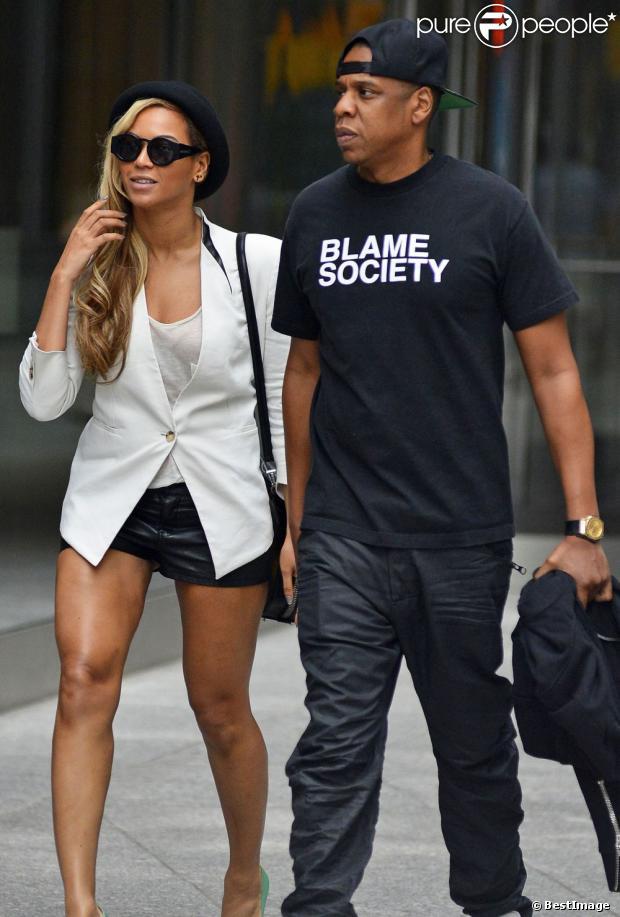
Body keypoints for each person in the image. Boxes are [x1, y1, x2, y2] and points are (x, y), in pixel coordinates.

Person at [271, 19, 612, 917]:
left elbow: (555, 370)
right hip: (344, 533)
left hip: (460, 538)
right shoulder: (313, 212)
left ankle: (495, 900)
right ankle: (319, 904)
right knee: (335, 741)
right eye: (340, 91)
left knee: (472, 744)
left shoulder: (492, 210)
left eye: (366, 93)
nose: (343, 108)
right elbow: (303, 370)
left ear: (420, 105)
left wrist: (583, 527)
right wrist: (297, 520)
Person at [19, 80, 292, 917]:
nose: (141, 160)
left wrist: (297, 523)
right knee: (82, 681)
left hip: (222, 501)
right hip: (114, 499)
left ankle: (242, 876)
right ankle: (81, 904)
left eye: (162, 149)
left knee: (219, 708)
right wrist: (64, 273)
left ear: (198, 166)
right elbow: (44, 400)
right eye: (128, 147)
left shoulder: (255, 263)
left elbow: (288, 397)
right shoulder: (99, 259)